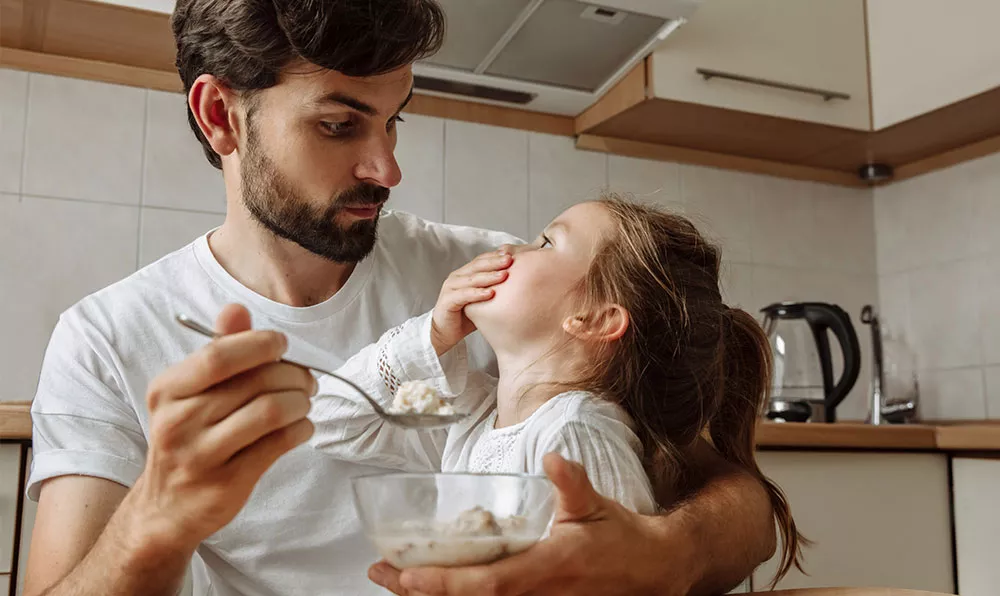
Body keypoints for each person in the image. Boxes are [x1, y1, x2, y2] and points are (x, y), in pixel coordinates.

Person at [21, 1, 778, 595]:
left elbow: (736, 500)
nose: (387, 168)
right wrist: (158, 516)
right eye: (338, 124)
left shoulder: (494, 285)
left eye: (394, 121)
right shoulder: (108, 339)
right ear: (221, 116)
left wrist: (663, 556)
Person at [307, 197, 803, 577]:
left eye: (545, 243)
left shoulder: (578, 432)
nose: (505, 251)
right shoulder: (473, 415)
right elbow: (332, 421)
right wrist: (431, 335)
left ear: (593, 319)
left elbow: (609, 581)